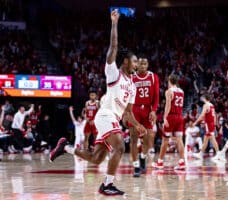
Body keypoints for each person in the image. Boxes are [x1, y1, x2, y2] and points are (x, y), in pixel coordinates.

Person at [50, 10, 146, 196]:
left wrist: (137, 124)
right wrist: (115, 23)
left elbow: (128, 113)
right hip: (105, 116)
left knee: (96, 158)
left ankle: (66, 148)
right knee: (120, 147)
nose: (137, 65)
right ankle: (107, 185)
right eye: (135, 62)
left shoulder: (132, 87)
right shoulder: (114, 73)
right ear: (125, 61)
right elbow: (113, 47)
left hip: (114, 119)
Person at [129, 55, 159, 177]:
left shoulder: (153, 77)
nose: (142, 66)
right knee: (133, 139)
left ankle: (142, 158)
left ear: (147, 65)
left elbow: (156, 96)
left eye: (144, 64)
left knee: (147, 140)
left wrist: (154, 110)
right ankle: (136, 166)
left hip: (147, 109)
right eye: (140, 64)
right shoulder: (131, 77)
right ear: (136, 65)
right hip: (134, 109)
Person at [152, 74, 186, 170]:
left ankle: (160, 162)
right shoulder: (181, 91)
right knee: (179, 140)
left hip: (171, 116)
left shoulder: (169, 91)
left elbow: (168, 105)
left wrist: (165, 117)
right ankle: (182, 162)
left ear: (169, 81)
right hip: (180, 116)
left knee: (165, 140)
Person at [193, 94, 219, 159]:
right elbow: (214, 115)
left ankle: (219, 154)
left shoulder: (206, 105)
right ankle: (200, 153)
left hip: (208, 124)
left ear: (204, 98)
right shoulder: (211, 105)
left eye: (202, 97)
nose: (201, 98)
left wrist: (195, 122)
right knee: (205, 140)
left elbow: (202, 115)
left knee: (212, 139)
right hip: (211, 123)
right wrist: (215, 124)